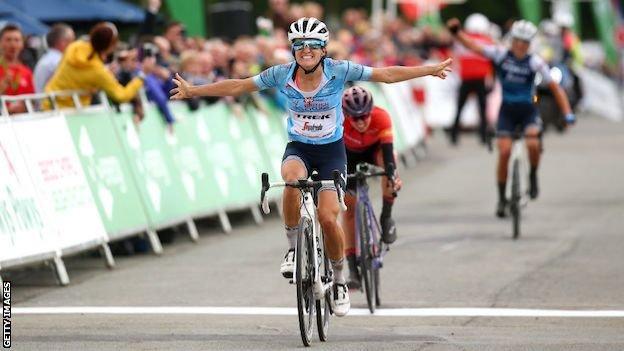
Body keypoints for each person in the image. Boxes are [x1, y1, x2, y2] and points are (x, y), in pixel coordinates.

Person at [171, 17, 451, 317]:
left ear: (322, 49)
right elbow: (239, 85)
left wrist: (429, 69)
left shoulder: (338, 70)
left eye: (312, 46)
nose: (305, 50)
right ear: (293, 50)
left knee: (328, 218)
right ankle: (293, 248)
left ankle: (341, 279)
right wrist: (194, 91)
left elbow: (384, 74)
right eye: (299, 46)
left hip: (332, 152)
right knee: (291, 182)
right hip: (299, 148)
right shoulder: (281, 74)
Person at [446, 18, 575, 217]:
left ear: (530, 43)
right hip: (506, 111)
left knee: (533, 144)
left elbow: (555, 88)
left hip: (528, 110)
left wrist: (567, 113)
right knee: (504, 152)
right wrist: (457, 33)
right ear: (512, 40)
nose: (520, 45)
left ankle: (532, 175)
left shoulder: (535, 61)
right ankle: (501, 199)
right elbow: (474, 47)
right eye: (517, 40)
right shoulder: (500, 55)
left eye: (525, 41)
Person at [340, 86, 402, 290]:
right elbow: (334, 156)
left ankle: (386, 216)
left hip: (374, 150)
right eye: (355, 118)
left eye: (364, 116)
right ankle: (353, 270)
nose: (361, 121)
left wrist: (393, 175)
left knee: (390, 169)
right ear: (346, 115)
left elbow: (388, 154)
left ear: (371, 110)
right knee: (348, 206)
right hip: (348, 155)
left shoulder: (381, 117)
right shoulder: (338, 121)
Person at [44, 22, 155, 109]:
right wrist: (142, 74)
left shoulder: (74, 47)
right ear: (110, 47)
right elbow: (121, 95)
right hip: (70, 113)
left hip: (48, 104)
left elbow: (78, 75)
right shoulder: (98, 72)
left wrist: (107, 70)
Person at [449, 14, 494, 145]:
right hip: (480, 79)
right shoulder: (487, 41)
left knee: (460, 107)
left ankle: (454, 135)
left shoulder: (462, 41)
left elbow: (456, 56)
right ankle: (483, 136)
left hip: (466, 78)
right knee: (482, 108)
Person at [0, 23, 35, 114]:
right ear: (0, 43)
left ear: (22, 44)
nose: (13, 44)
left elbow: (33, 101)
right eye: (8, 40)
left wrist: (24, 107)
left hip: (21, 122)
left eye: (17, 40)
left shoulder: (27, 72)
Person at [34, 23, 76, 93]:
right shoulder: (58, 61)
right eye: (72, 41)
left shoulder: (48, 59)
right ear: (62, 42)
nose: (75, 45)